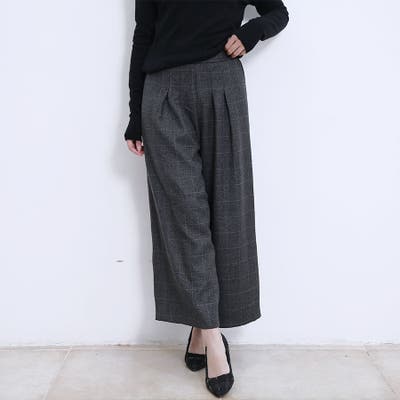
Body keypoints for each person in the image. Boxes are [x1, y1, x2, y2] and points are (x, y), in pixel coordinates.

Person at [124, 0, 289, 396]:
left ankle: (200, 329)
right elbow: (143, 35)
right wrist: (135, 114)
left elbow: (278, 13)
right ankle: (214, 338)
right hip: (163, 91)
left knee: (228, 213)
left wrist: (252, 32)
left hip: (222, 82)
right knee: (186, 218)